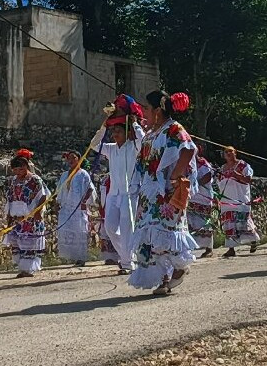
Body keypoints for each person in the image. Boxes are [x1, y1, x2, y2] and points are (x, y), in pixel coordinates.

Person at [129, 90, 197, 295]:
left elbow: (188, 148)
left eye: (147, 109)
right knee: (149, 235)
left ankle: (177, 269)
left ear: (158, 111)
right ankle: (162, 277)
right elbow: (142, 163)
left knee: (165, 231)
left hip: (166, 192)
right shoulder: (150, 134)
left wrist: (176, 176)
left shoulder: (173, 129)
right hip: (149, 193)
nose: (144, 114)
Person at [89, 109, 144, 275]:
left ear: (127, 133)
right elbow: (94, 144)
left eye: (118, 131)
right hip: (114, 193)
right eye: (114, 132)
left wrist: (134, 123)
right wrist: (104, 126)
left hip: (130, 192)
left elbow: (143, 139)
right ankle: (129, 256)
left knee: (128, 228)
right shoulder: (111, 149)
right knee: (110, 227)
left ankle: (127, 263)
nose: (115, 135)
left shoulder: (133, 146)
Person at [3, 149, 49, 277]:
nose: (18, 172)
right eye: (16, 170)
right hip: (15, 217)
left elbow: (43, 196)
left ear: (26, 167)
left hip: (30, 216)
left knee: (29, 242)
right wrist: (9, 215)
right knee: (17, 242)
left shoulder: (35, 179)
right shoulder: (13, 180)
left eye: (21, 169)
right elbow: (10, 197)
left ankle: (27, 269)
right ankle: (22, 267)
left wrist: (38, 211)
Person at [217, 147, 260, 257]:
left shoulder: (243, 165)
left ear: (235, 153)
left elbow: (248, 179)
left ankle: (253, 240)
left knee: (243, 223)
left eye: (230, 151)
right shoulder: (222, 168)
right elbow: (219, 183)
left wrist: (237, 175)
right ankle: (231, 248)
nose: (228, 153)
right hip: (227, 200)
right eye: (226, 152)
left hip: (240, 199)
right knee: (229, 224)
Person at [55, 151, 94, 266]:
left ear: (79, 159)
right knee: (67, 231)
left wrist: (84, 201)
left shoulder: (83, 174)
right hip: (66, 207)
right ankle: (72, 256)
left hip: (78, 207)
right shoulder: (64, 175)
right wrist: (57, 203)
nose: (71, 160)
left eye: (74, 158)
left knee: (79, 231)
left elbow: (90, 188)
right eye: (69, 158)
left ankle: (81, 258)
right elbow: (59, 191)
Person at [188, 145, 215, 257]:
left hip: (203, 197)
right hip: (191, 197)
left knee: (203, 222)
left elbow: (208, 176)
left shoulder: (203, 163)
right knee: (190, 221)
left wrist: (196, 183)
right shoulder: (188, 164)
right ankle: (191, 246)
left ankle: (209, 248)